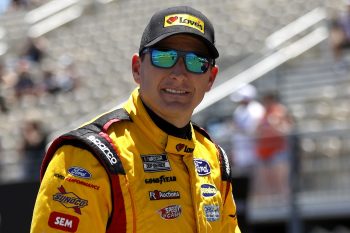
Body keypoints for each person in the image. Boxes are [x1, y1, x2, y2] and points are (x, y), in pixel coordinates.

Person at [30, 6, 241, 233]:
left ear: (210, 78)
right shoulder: (88, 156)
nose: (179, 74)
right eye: (164, 57)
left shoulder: (213, 157)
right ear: (137, 69)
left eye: (196, 61)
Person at [254, 92, 294, 199]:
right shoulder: (264, 114)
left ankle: (285, 202)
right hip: (264, 151)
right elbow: (257, 131)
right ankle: (272, 203)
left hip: (278, 150)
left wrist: (274, 126)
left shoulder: (281, 111)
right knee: (268, 180)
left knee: (281, 179)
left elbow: (287, 131)